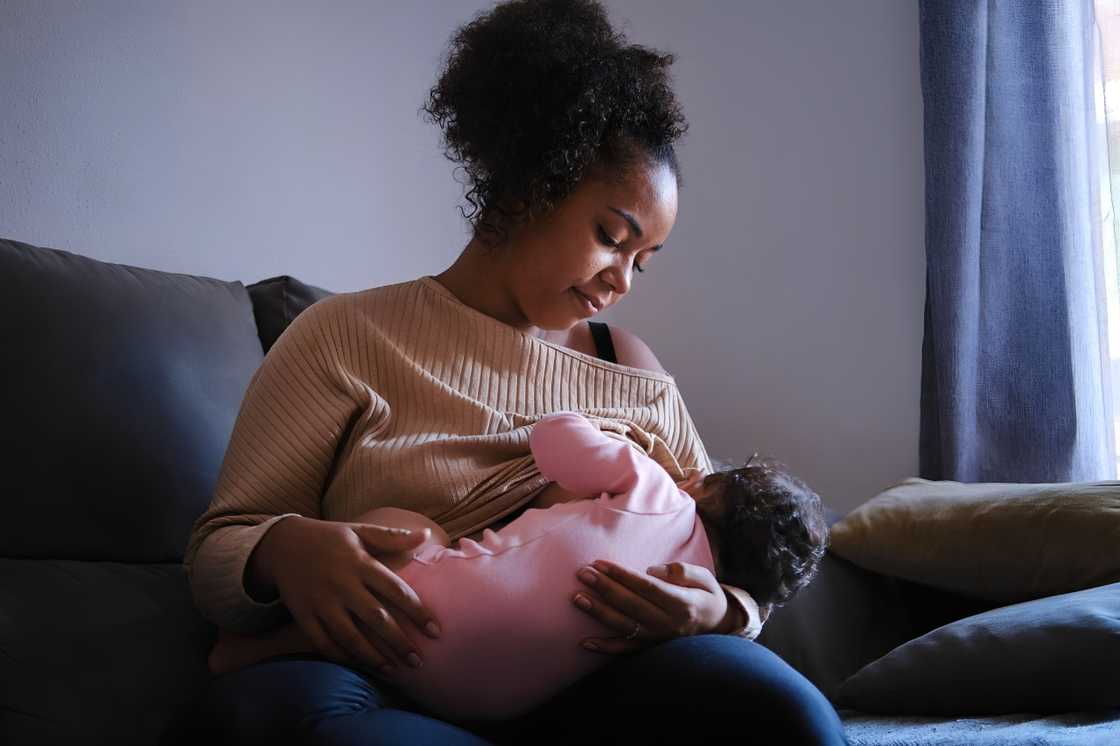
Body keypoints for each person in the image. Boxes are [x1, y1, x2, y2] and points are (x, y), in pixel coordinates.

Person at [178, 0, 850, 743]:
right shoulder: (345, 337)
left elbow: (741, 555)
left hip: (595, 678)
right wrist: (283, 550)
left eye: (643, 261)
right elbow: (218, 553)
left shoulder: (628, 368)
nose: (623, 279)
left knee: (788, 717)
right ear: (532, 183)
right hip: (392, 670)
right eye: (611, 237)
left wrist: (725, 610)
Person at [204, 411, 830, 726]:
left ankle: (280, 642)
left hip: (420, 611)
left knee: (412, 531)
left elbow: (555, 436)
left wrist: (619, 437)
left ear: (707, 488)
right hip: (495, 700)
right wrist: (735, 606)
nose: (622, 277)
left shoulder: (660, 487)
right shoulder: (690, 579)